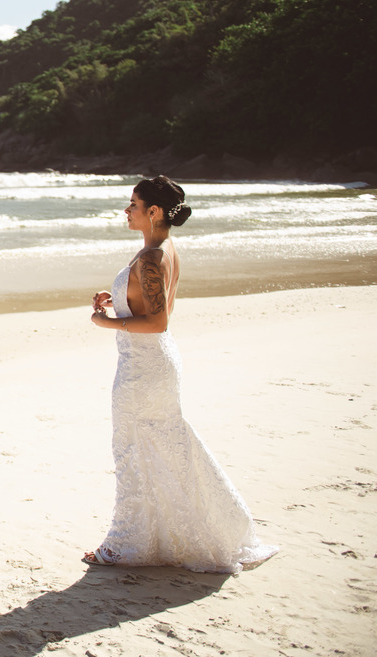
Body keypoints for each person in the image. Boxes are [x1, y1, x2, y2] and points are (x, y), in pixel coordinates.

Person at [84, 176, 277, 573]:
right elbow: (148, 301)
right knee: (163, 446)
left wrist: (106, 323)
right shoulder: (163, 249)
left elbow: (155, 320)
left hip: (143, 368)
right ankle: (166, 536)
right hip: (153, 364)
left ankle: (125, 545)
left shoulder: (152, 257)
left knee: (133, 449)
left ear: (153, 211)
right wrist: (117, 298)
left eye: (133, 204)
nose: (127, 209)